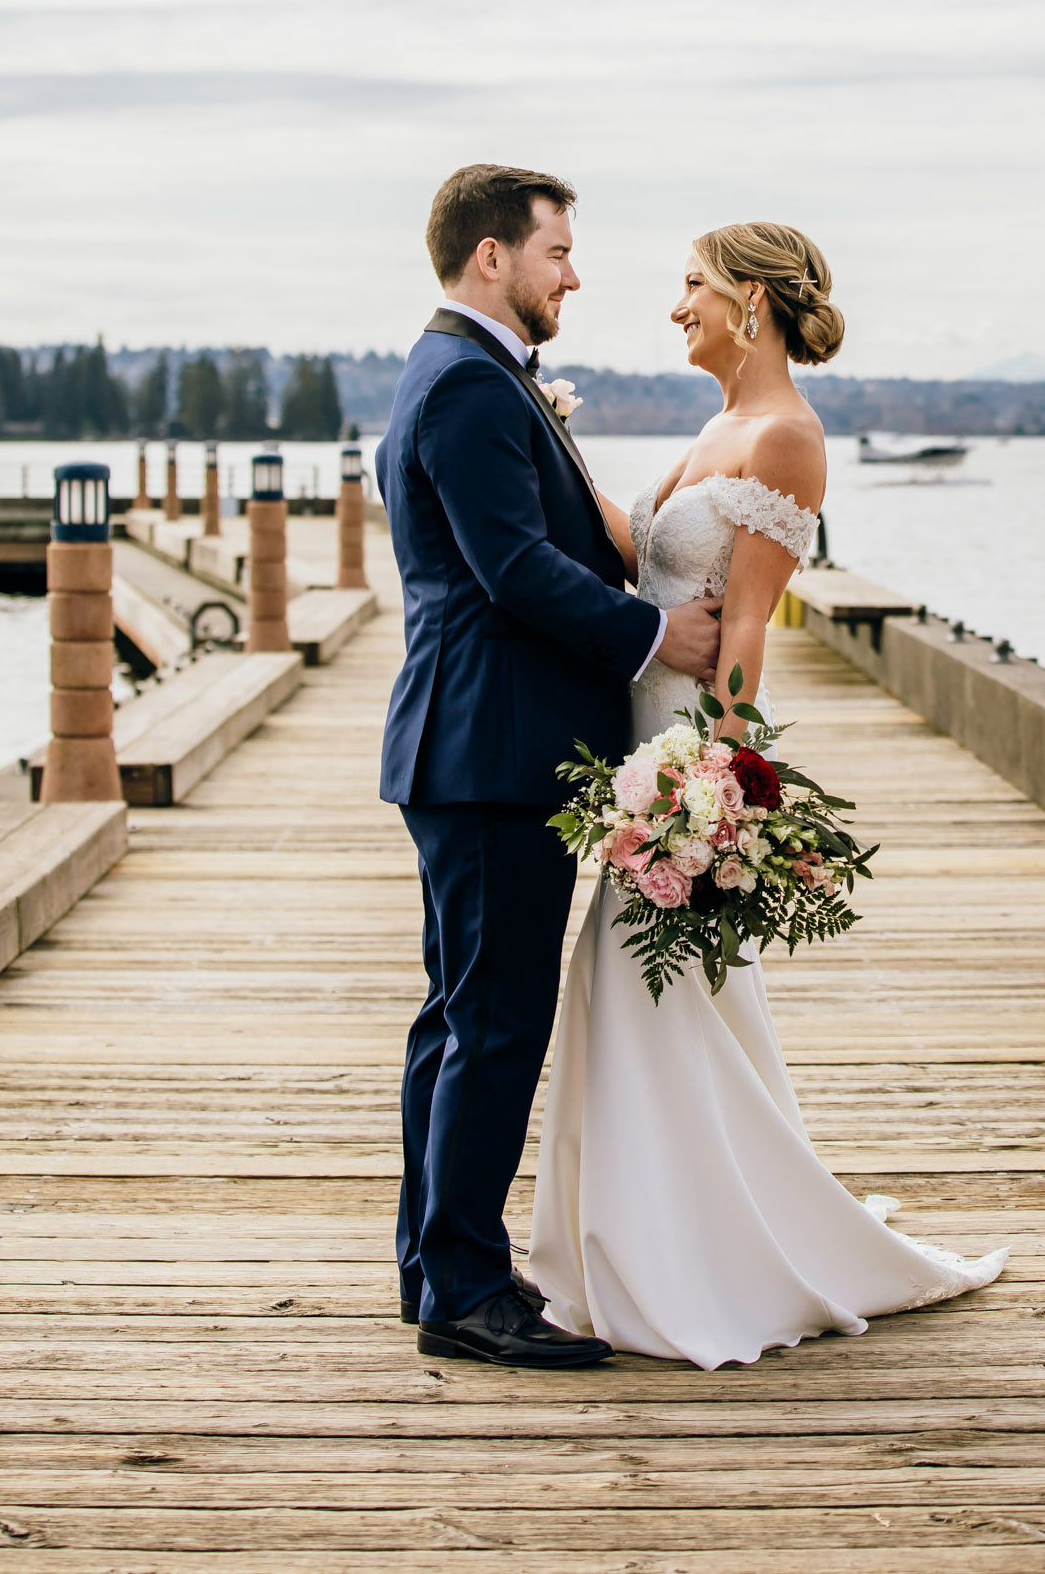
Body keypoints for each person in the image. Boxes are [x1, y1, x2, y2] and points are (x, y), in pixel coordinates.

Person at [529, 220, 1008, 1367]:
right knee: (634, 995)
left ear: (748, 297)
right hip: (639, 734)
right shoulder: (714, 426)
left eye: (690, 285)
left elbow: (745, 625)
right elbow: (642, 555)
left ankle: (689, 1250)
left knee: (653, 990)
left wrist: (722, 786)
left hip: (682, 755)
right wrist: (554, 445)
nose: (676, 304)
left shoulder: (786, 437)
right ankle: (646, 1234)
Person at [375, 164, 723, 1367]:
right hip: (490, 755)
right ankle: (467, 1290)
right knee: (494, 1019)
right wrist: (653, 632)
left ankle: (438, 1260)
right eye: (557, 251)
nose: (573, 272)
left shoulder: (472, 375)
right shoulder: (468, 386)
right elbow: (511, 569)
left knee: (461, 1016)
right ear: (491, 257)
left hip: (479, 749)